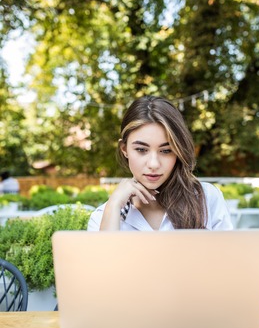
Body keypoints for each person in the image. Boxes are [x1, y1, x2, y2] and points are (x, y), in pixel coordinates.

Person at [88, 96, 233, 231]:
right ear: (125, 149)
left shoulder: (206, 199)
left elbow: (230, 256)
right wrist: (113, 207)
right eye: (141, 150)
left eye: (165, 151)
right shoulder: (104, 216)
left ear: (178, 151)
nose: (153, 164)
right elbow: (104, 259)